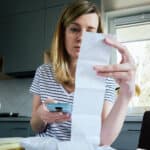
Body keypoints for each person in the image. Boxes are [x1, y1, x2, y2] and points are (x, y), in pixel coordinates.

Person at [30, 0, 136, 147]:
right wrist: (42, 114)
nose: (82, 37)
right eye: (74, 29)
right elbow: (35, 126)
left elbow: (103, 141)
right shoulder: (43, 72)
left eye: (90, 30)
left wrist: (126, 94)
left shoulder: (106, 79)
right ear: (63, 33)